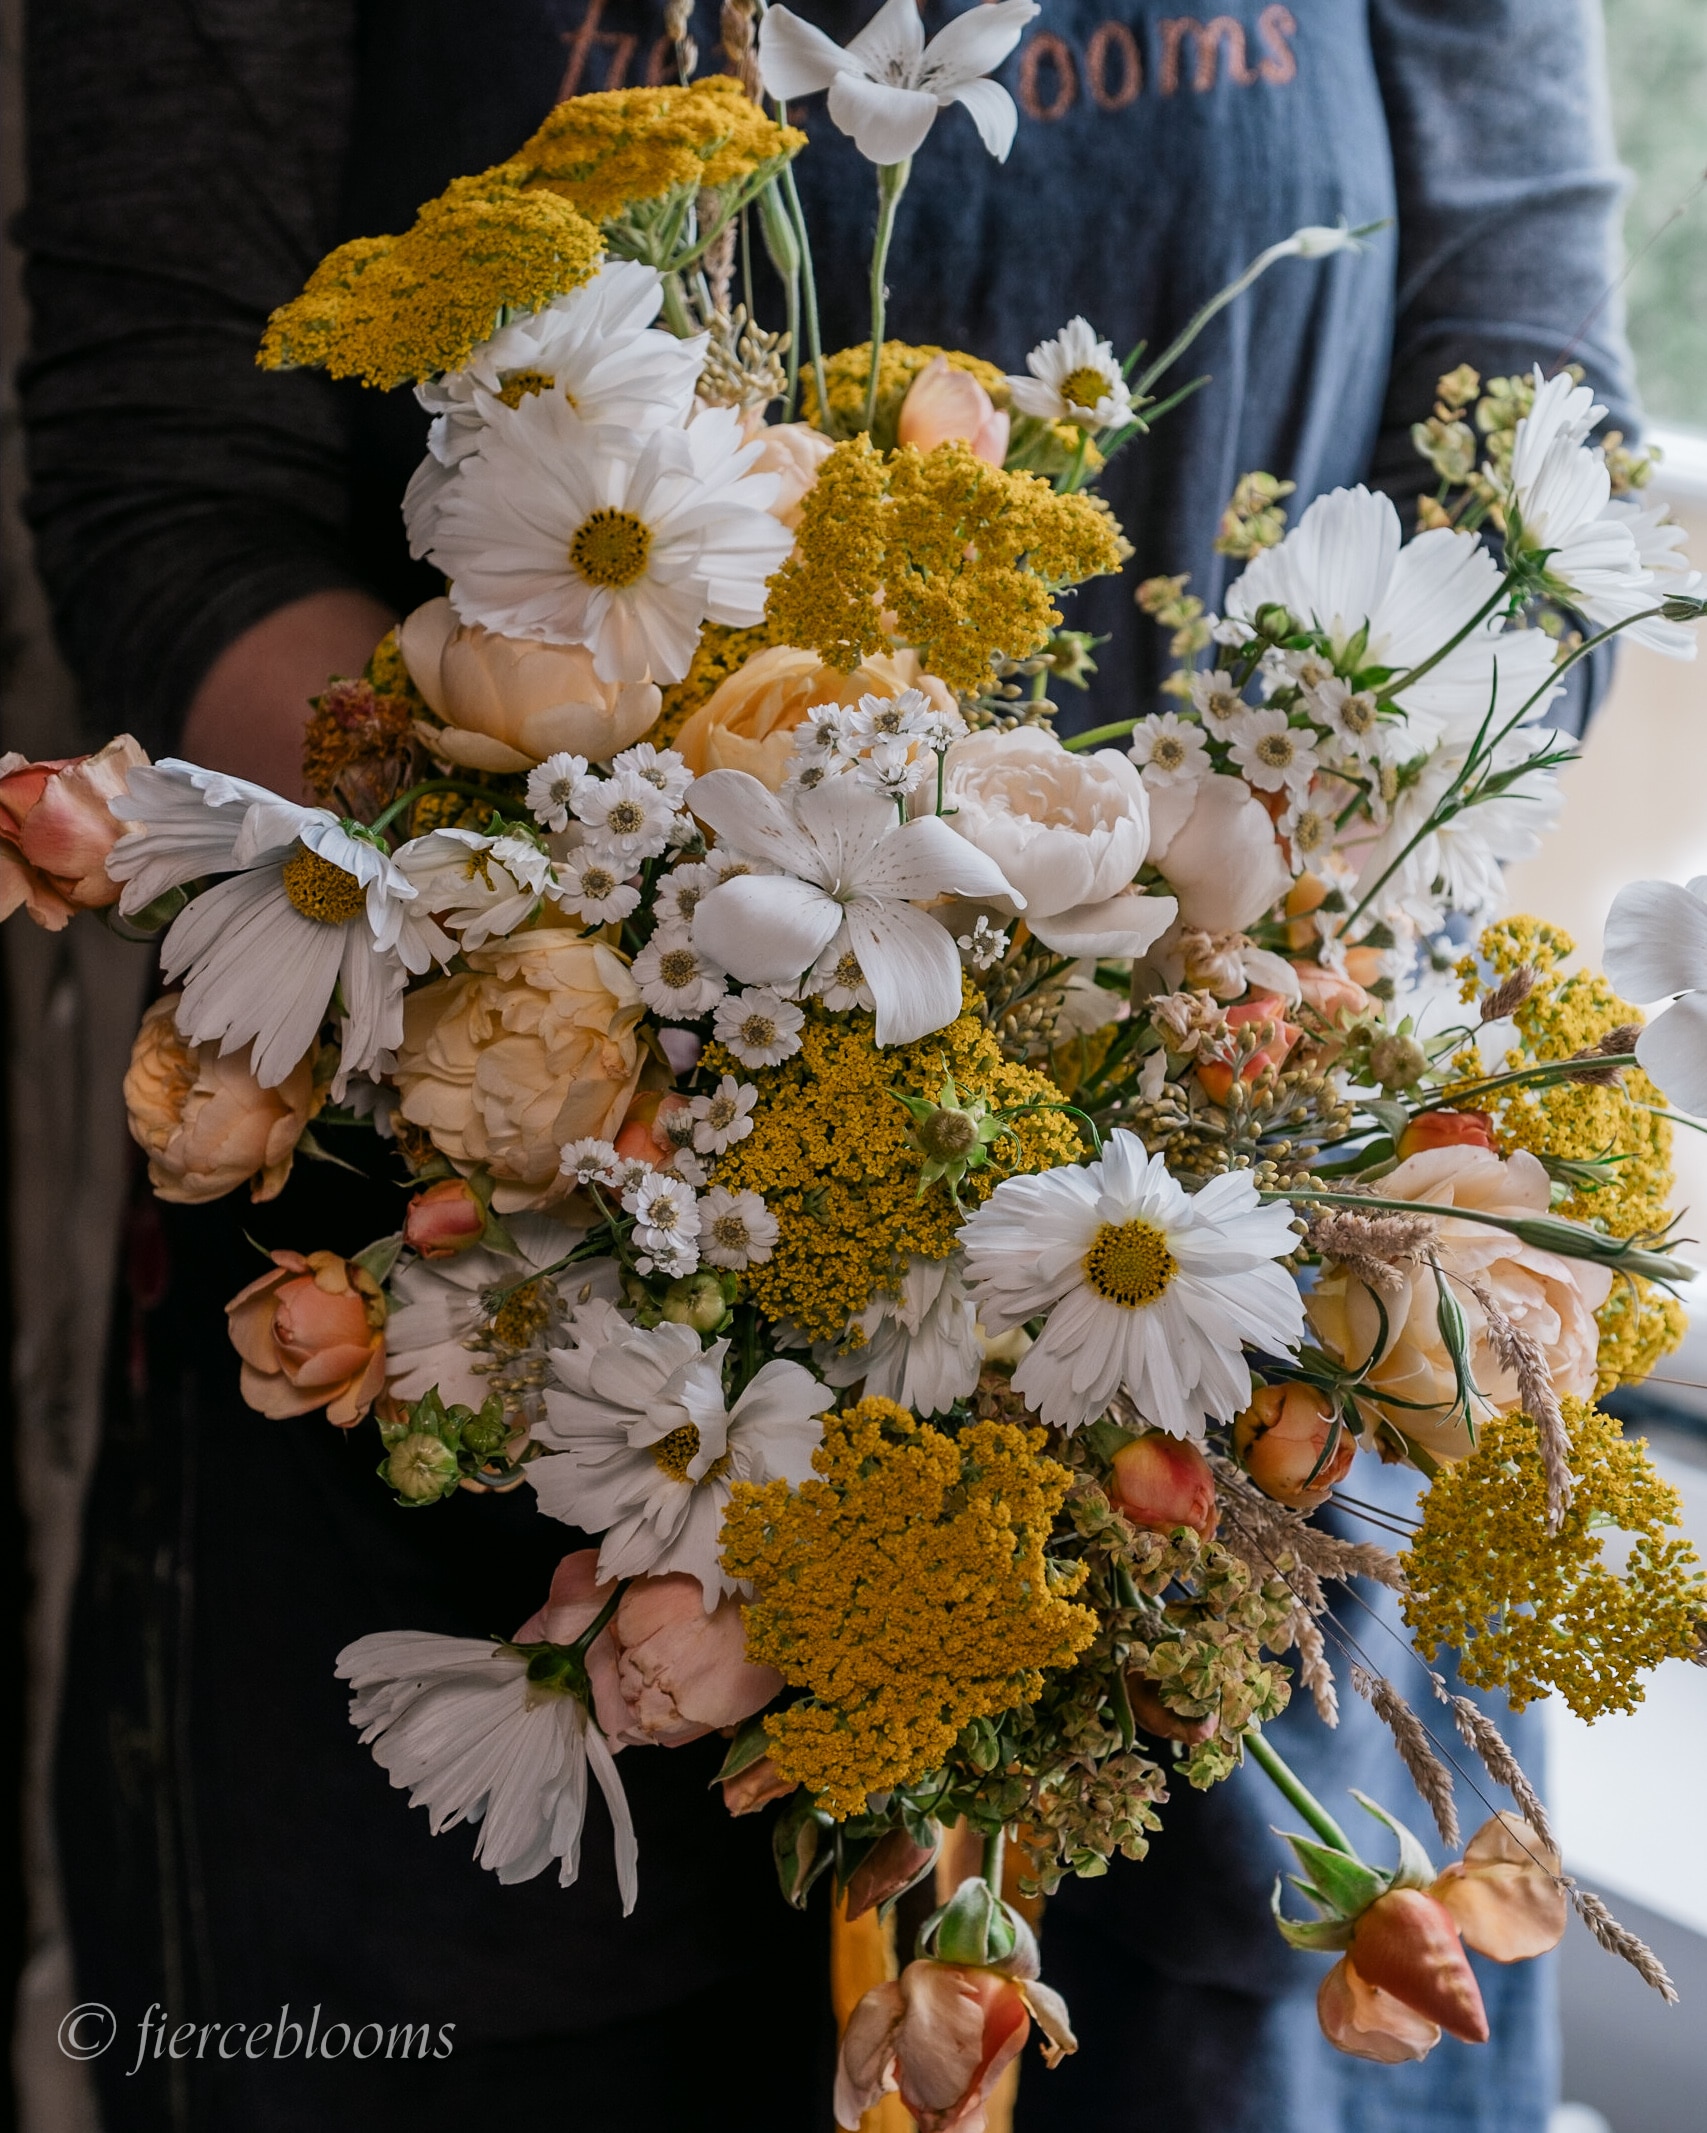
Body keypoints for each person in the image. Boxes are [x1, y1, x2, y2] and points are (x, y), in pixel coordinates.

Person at [18, 3, 1632, 2127]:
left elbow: (1538, 447)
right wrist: (634, 979)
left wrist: (1163, 1019)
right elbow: (172, 481)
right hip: (506, 1324)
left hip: (1230, 1344)